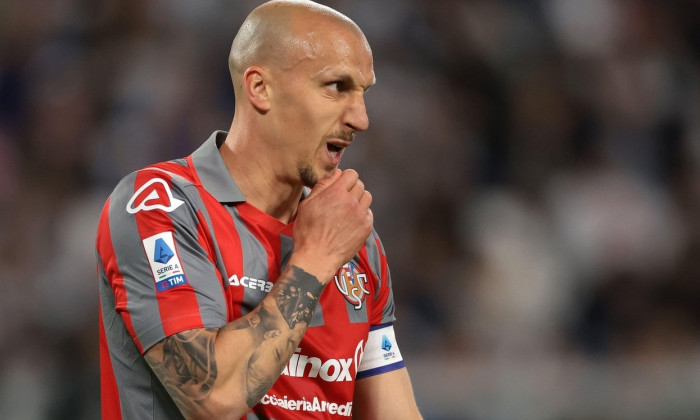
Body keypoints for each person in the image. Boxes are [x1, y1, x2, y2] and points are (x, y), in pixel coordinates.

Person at [96, 0, 423, 419]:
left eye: (363, 93)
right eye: (337, 87)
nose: (360, 118)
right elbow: (213, 397)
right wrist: (315, 258)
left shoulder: (357, 242)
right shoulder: (160, 205)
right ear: (260, 88)